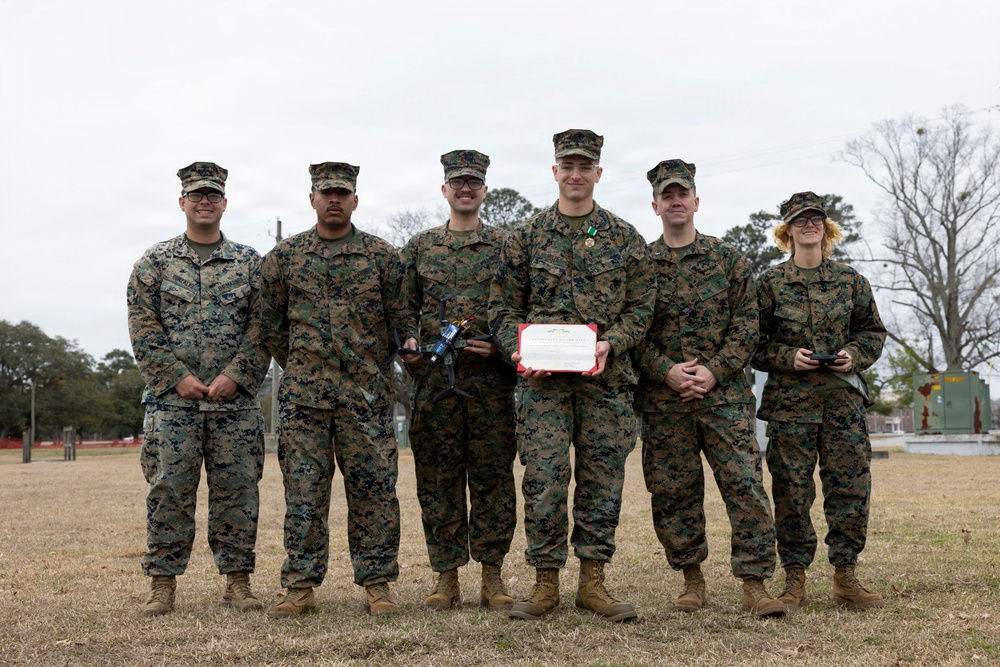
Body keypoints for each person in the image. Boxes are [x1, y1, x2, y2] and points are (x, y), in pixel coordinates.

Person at [489, 129, 654, 622]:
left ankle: (593, 582)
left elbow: (642, 309)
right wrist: (519, 350)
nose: (576, 174)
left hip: (606, 382)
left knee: (602, 480)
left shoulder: (624, 238)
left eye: (585, 166)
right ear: (554, 171)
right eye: (568, 166)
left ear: (598, 173)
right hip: (542, 387)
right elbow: (502, 308)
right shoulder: (525, 237)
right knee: (544, 478)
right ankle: (544, 583)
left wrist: (611, 343)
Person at [632, 159, 787, 617]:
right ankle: (691, 579)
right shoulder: (639, 265)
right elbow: (631, 329)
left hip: (725, 400)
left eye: (682, 193)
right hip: (664, 402)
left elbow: (748, 324)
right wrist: (666, 370)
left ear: (696, 201)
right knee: (673, 493)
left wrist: (715, 370)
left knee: (744, 486)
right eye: (667, 195)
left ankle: (755, 583)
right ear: (655, 206)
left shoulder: (727, 258)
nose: (675, 201)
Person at [260, 162, 411, 618]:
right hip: (304, 400)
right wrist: (303, 367)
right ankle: (300, 586)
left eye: (342, 193)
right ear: (312, 199)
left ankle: (377, 583)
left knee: (374, 491)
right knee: (304, 494)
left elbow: (400, 322)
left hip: (365, 398)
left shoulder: (382, 257)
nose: (334, 199)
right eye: (326, 192)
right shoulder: (284, 258)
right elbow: (271, 327)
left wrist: (372, 367)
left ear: (355, 200)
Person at [128, 161, 270, 616]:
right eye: (196, 195)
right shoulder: (154, 262)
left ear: (225, 203)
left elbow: (263, 327)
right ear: (182, 202)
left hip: (235, 406)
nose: (204, 202)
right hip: (173, 405)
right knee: (168, 491)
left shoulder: (249, 263)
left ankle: (238, 583)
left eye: (212, 195)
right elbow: (142, 327)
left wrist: (237, 375)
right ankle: (162, 585)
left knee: (239, 492)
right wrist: (176, 377)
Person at [753, 191, 887, 610]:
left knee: (850, 489)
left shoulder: (851, 281)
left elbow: (872, 332)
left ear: (826, 228)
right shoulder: (769, 284)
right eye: (800, 220)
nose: (808, 225)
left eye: (815, 219)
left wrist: (854, 355)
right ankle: (795, 578)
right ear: (787, 231)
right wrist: (787, 357)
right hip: (790, 407)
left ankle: (845, 576)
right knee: (792, 492)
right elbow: (751, 343)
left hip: (843, 403)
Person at [399, 150, 518, 610]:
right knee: (437, 480)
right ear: (444, 189)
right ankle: (446, 577)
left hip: (490, 386)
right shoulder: (420, 247)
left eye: (473, 182)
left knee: (493, 481)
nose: (465, 189)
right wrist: (409, 345)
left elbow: (520, 308)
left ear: (484, 190)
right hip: (434, 385)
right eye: (457, 182)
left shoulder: (506, 246)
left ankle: (492, 577)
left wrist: (501, 349)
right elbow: (403, 307)